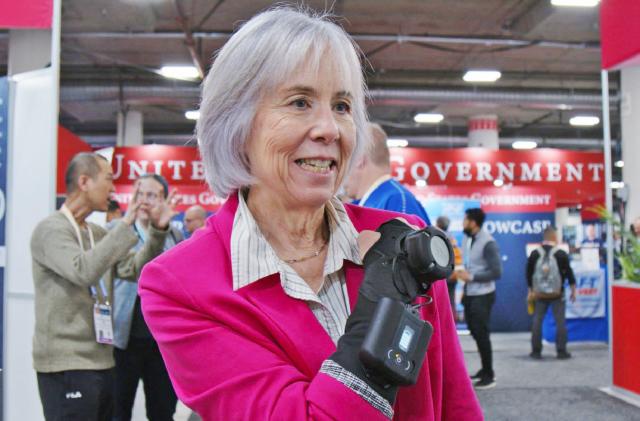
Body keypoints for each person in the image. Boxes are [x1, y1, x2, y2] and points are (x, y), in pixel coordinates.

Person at [138, 7, 481, 421]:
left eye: (341, 106)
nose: (330, 129)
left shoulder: (402, 238)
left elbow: (455, 405)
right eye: (300, 102)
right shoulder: (181, 285)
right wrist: (379, 312)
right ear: (237, 123)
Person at [30, 152, 172, 421]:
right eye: (108, 179)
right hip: (67, 365)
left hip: (103, 361)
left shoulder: (96, 234)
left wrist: (158, 232)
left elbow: (133, 270)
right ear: (84, 181)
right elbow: (82, 270)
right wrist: (127, 223)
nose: (112, 188)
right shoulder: (50, 230)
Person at [112, 174, 183, 421]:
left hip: (162, 342)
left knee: (162, 410)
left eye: (151, 195)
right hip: (124, 338)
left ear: (163, 199)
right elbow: (136, 270)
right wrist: (157, 231)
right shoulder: (118, 231)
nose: (143, 200)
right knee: (118, 409)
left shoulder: (173, 234)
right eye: (139, 194)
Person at [343, 122, 431, 225]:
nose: (340, 168)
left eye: (345, 157)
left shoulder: (397, 201)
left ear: (358, 158)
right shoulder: (376, 202)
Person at [457, 207, 502, 390]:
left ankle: (489, 374)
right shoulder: (468, 238)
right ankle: (484, 370)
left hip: (483, 295)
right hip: (470, 293)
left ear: (473, 222)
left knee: (482, 333)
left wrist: (472, 277)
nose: (463, 223)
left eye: (465, 219)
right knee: (474, 331)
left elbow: (497, 272)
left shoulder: (488, 242)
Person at [526, 226, 576, 360]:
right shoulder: (561, 254)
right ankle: (561, 351)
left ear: (544, 237)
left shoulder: (535, 253)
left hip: (539, 294)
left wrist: (530, 290)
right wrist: (573, 290)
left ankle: (536, 351)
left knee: (537, 321)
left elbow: (529, 273)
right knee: (560, 322)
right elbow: (569, 273)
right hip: (557, 294)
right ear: (554, 236)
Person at [435, 215, 463, 320]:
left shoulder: (436, 237)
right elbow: (458, 257)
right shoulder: (452, 238)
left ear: (437, 224)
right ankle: (451, 326)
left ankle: (442, 324)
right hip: (453, 275)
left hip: (441, 275)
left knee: (439, 302)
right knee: (451, 301)